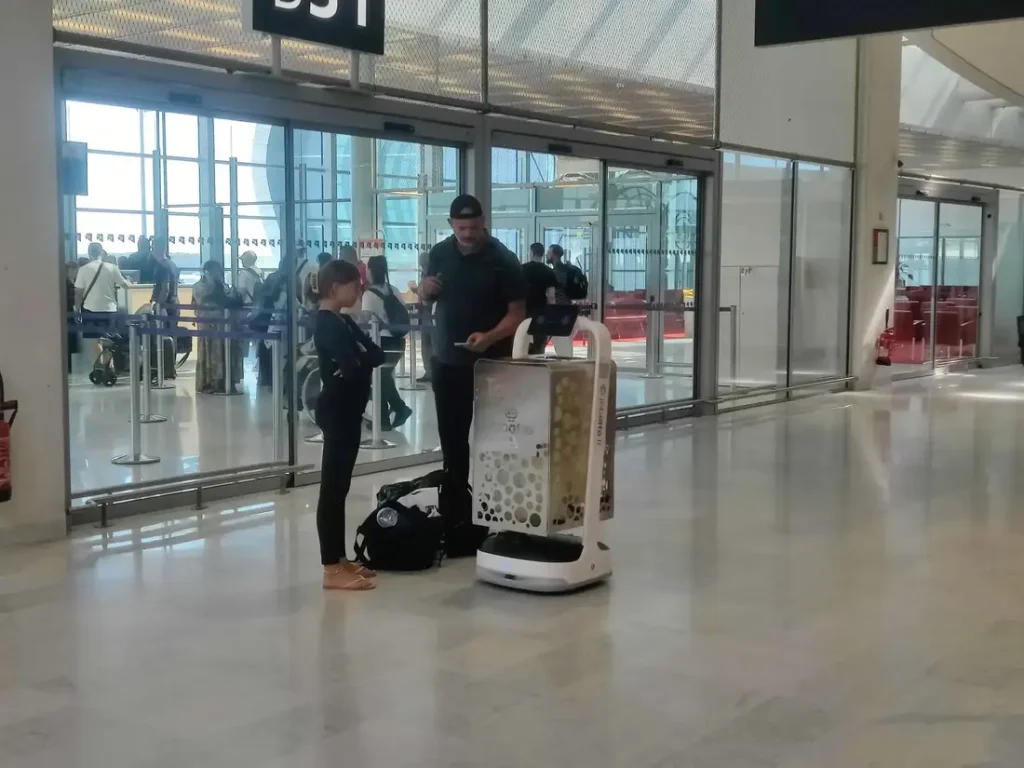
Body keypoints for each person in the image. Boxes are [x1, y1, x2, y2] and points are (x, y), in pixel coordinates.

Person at [420, 194, 527, 539]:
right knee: (452, 442)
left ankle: (492, 512)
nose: (467, 234)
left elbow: (517, 314)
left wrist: (490, 336)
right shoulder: (439, 253)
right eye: (461, 228)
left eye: (473, 227)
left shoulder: (502, 259)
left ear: (484, 223)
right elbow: (428, 297)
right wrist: (425, 289)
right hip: (447, 363)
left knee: (492, 442)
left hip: (491, 366)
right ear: (451, 225)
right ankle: (456, 516)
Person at [311, 259, 385, 591]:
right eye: (355, 285)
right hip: (337, 409)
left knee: (340, 488)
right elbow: (353, 366)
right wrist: (357, 361)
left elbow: (374, 355)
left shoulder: (344, 321)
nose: (359, 290)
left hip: (350, 408)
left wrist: (357, 360)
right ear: (334, 287)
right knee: (332, 488)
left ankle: (339, 558)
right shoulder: (328, 324)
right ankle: (330, 567)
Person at [362, 254, 413, 431]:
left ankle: (399, 408)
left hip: (381, 342)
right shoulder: (394, 290)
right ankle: (382, 418)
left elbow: (366, 320)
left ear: (370, 271)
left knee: (379, 378)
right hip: (398, 342)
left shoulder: (368, 294)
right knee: (381, 378)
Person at [192, 261, 244, 394]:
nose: (217, 274)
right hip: (209, 326)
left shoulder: (223, 286)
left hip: (226, 326)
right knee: (211, 352)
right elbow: (206, 301)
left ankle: (227, 381)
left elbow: (229, 301)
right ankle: (211, 382)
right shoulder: (199, 287)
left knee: (227, 351)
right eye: (214, 272)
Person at [75, 242, 131, 357]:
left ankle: (100, 363)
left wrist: (77, 310)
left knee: (96, 340)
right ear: (101, 252)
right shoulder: (112, 268)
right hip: (109, 309)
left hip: (90, 309)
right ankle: (110, 362)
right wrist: (131, 282)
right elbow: (125, 285)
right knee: (109, 338)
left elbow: (79, 293)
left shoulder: (83, 269)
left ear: (89, 253)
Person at [522, 242, 559, 355]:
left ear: (531, 253)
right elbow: (551, 296)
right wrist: (552, 313)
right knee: (539, 344)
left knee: (523, 342)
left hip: (524, 311)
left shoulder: (522, 269)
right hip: (541, 311)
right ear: (542, 254)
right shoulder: (548, 271)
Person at [546, 244, 576, 357]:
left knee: (562, 346)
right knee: (564, 344)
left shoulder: (556, 272)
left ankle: (566, 365)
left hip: (559, 310)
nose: (547, 255)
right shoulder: (566, 269)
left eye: (549, 253)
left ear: (554, 255)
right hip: (567, 309)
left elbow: (553, 293)